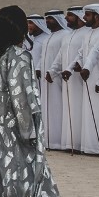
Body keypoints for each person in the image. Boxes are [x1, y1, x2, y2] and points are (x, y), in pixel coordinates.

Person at [0, 6, 67, 197]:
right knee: (22, 166)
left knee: (0, 168)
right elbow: (21, 96)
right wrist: (28, 130)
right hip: (12, 121)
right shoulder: (18, 55)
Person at [76, 4, 99, 156]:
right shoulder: (88, 33)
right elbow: (81, 53)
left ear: (97, 16)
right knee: (88, 113)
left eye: (87, 15)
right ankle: (90, 146)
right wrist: (77, 64)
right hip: (87, 77)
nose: (84, 18)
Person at [56, 6, 89, 153]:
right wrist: (52, 71)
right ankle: (70, 143)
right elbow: (60, 56)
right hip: (68, 78)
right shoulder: (68, 36)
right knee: (69, 108)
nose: (66, 18)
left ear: (79, 16)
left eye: (69, 15)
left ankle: (80, 144)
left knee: (80, 110)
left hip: (80, 78)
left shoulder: (86, 33)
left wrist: (77, 66)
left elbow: (82, 54)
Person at [39, 10, 68, 150]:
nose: (47, 21)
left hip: (57, 79)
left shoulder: (65, 35)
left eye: (50, 18)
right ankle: (48, 140)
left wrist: (54, 72)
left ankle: (57, 141)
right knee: (47, 109)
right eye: (46, 19)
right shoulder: (48, 37)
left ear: (58, 19)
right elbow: (42, 58)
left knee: (57, 108)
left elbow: (63, 57)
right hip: (46, 79)